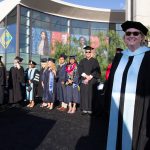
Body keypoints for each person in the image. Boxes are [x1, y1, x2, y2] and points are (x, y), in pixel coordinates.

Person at [105, 21, 150, 150]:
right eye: (128, 33)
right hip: (117, 109)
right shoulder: (119, 57)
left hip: (139, 109)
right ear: (124, 37)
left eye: (136, 33)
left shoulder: (148, 57)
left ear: (142, 37)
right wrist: (108, 104)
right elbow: (111, 82)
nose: (131, 35)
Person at [78, 46, 101, 115]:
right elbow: (80, 70)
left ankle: (90, 109)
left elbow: (97, 71)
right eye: (86, 52)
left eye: (89, 52)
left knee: (91, 94)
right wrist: (85, 77)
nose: (88, 53)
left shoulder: (95, 61)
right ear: (85, 53)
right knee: (84, 94)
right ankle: (84, 109)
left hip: (92, 81)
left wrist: (89, 77)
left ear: (91, 52)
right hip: (84, 80)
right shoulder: (82, 61)